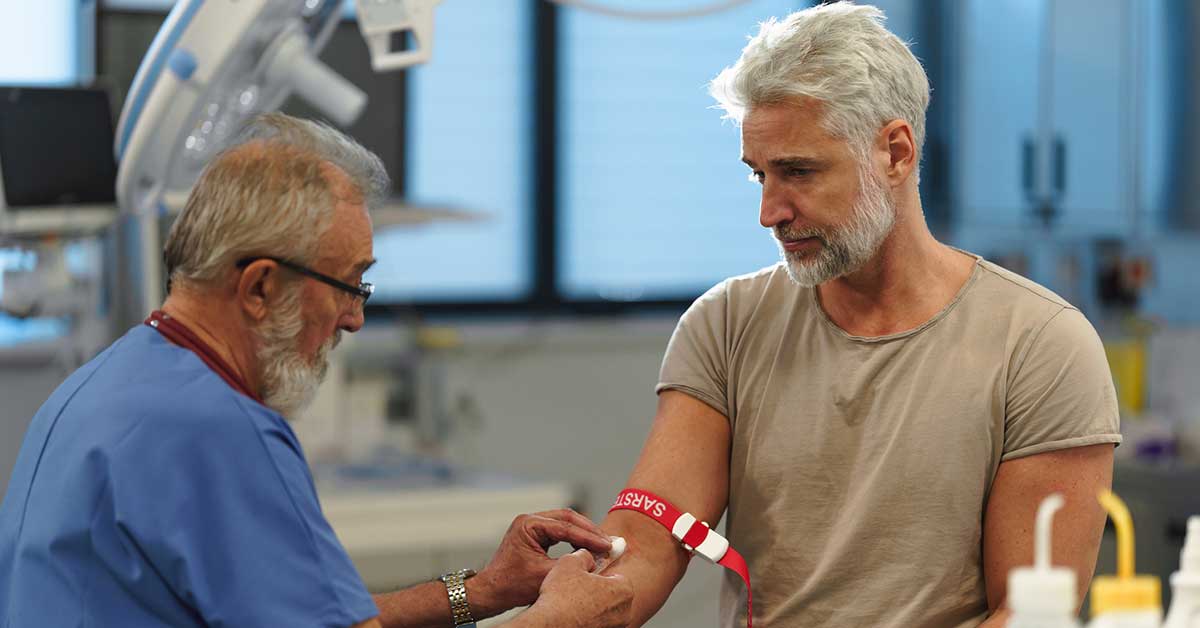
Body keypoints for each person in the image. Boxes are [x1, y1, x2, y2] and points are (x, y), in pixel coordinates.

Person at [598, 4, 1121, 627]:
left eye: (798, 172)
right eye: (758, 175)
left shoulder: (1040, 345)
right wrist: (552, 610)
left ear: (895, 153)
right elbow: (647, 542)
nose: (770, 212)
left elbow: (1033, 613)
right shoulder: (726, 325)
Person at [0, 113, 632, 628]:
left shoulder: (101, 387)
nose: (354, 319)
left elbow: (308, 616)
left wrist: (485, 591)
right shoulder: (220, 431)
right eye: (348, 284)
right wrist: (560, 621)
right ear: (259, 288)